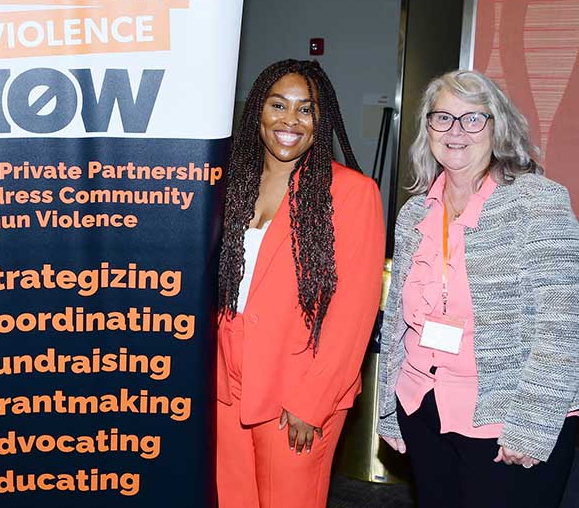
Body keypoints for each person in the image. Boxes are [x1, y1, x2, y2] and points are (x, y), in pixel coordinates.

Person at [377, 70, 579, 508]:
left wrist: (531, 423)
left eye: (473, 119)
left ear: (498, 127)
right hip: (424, 409)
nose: (455, 131)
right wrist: (389, 409)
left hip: (506, 422)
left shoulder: (536, 201)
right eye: (443, 118)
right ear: (427, 129)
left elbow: (563, 327)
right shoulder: (414, 213)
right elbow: (396, 324)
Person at [216, 59, 385, 508]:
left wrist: (313, 399)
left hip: (296, 390)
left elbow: (354, 311)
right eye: (278, 105)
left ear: (320, 120)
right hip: (225, 384)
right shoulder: (230, 184)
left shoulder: (351, 192)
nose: (290, 120)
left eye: (306, 110)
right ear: (257, 112)